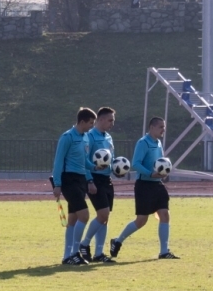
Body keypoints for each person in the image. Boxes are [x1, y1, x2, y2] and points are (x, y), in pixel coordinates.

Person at [110, 116, 177, 260]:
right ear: (152, 127)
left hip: (157, 184)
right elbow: (136, 164)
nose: (163, 129)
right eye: (160, 127)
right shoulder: (143, 142)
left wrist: (163, 173)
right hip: (144, 186)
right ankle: (117, 241)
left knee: (165, 214)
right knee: (141, 220)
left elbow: (160, 162)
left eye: (164, 127)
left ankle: (164, 251)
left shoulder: (158, 142)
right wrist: (150, 174)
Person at [51, 107, 97, 265]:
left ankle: (66, 256)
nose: (92, 126)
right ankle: (75, 253)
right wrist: (57, 184)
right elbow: (58, 161)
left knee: (73, 219)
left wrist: (94, 170)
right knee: (84, 215)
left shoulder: (86, 137)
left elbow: (85, 161)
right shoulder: (67, 137)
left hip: (81, 180)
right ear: (82, 122)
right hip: (69, 181)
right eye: (90, 123)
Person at [81, 107, 116, 262]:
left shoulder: (108, 137)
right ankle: (84, 243)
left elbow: (111, 159)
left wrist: (117, 169)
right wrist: (89, 180)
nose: (112, 123)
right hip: (95, 179)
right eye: (110, 120)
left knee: (104, 218)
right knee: (103, 214)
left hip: (107, 179)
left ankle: (99, 253)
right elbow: (85, 160)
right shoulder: (89, 136)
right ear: (100, 119)